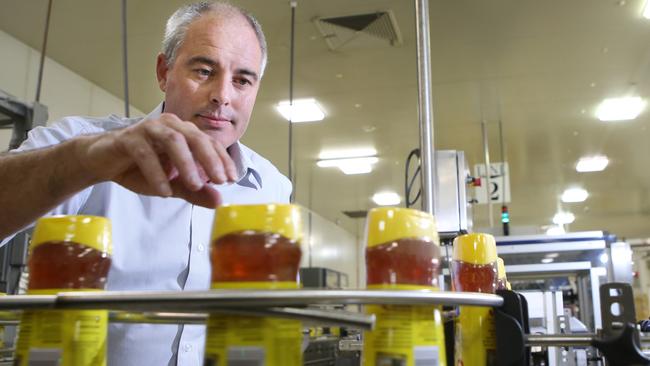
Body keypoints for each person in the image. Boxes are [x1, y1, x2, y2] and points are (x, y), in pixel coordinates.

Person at [0, 2, 291, 364]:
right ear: (163, 71)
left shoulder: (273, 187)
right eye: (204, 70)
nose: (223, 95)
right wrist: (82, 163)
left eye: (242, 80)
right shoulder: (84, 144)